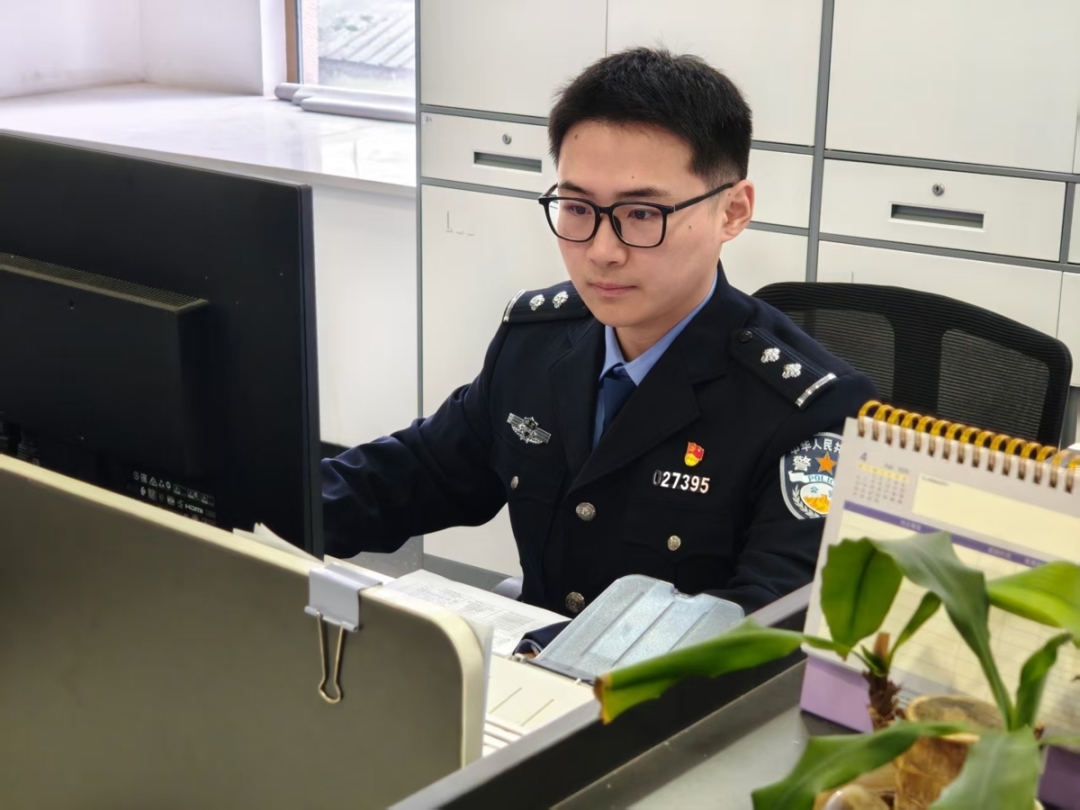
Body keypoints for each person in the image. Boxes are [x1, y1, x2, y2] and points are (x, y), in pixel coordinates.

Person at [323, 47, 877, 623]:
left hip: (656, 683)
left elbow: (765, 629)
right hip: (530, 668)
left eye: (642, 214)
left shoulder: (810, 410)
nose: (602, 251)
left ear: (732, 212)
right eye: (577, 207)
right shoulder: (535, 341)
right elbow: (413, 475)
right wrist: (268, 511)